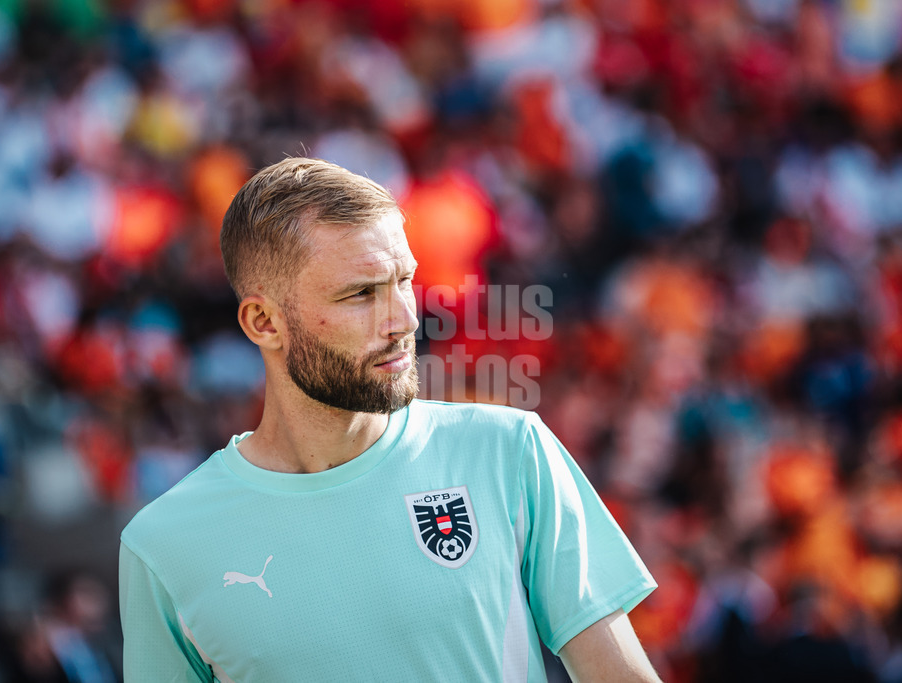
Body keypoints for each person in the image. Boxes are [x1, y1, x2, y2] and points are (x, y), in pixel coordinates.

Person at [118, 157, 661, 682]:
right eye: (361, 293)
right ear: (264, 322)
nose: (403, 319)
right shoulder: (164, 546)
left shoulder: (509, 451)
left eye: (404, 281)